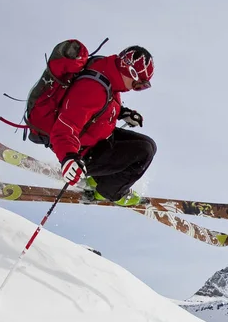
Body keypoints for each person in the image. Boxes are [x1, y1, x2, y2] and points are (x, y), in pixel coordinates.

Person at [47, 45, 157, 206]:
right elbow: (65, 127)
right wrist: (69, 158)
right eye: (138, 84)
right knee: (144, 153)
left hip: (97, 139)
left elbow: (99, 107)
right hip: (81, 152)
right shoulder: (93, 88)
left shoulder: (109, 75)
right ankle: (109, 192)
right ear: (129, 71)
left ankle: (99, 179)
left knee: (149, 145)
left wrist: (123, 113)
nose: (135, 89)